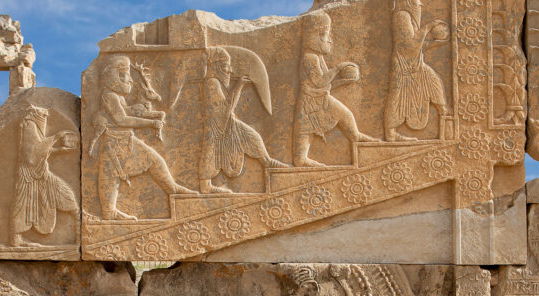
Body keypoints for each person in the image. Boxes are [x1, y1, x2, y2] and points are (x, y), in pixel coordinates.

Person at [90, 55, 195, 220]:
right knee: (110, 177)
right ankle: (109, 212)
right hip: (114, 143)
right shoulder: (109, 96)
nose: (129, 80)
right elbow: (121, 119)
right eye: (124, 75)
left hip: (125, 140)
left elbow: (124, 113)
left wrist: (135, 109)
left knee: (154, 160)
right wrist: (150, 123)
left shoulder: (118, 97)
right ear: (112, 76)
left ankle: (172, 188)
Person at [292, 11, 377, 167]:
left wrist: (343, 81)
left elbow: (326, 85)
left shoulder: (318, 57)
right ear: (314, 36)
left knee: (345, 114)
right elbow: (318, 81)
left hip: (321, 99)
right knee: (304, 133)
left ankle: (356, 136)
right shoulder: (309, 57)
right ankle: (301, 160)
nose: (329, 40)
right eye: (325, 35)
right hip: (310, 103)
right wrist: (338, 68)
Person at [199, 47, 287, 194]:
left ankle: (267, 161)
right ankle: (205, 185)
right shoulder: (211, 83)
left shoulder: (216, 82)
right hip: (217, 126)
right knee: (211, 149)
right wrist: (238, 86)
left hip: (228, 123)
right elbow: (225, 108)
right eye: (227, 66)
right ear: (217, 67)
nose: (230, 71)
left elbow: (226, 110)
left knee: (252, 137)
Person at [10, 107, 79, 245]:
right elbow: (33, 153)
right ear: (36, 115)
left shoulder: (33, 126)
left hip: (42, 173)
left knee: (67, 195)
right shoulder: (29, 125)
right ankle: (15, 239)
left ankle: (81, 238)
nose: (45, 118)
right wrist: (56, 136)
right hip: (28, 176)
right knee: (22, 205)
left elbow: (38, 150)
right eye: (43, 115)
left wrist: (59, 150)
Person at [384, 0, 450, 141]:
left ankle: (446, 120)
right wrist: (428, 27)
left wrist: (435, 43)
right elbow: (409, 45)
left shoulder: (409, 18)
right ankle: (390, 133)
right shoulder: (402, 16)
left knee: (434, 81)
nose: (420, 5)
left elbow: (417, 46)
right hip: (403, 65)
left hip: (415, 63)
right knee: (397, 97)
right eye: (416, 2)